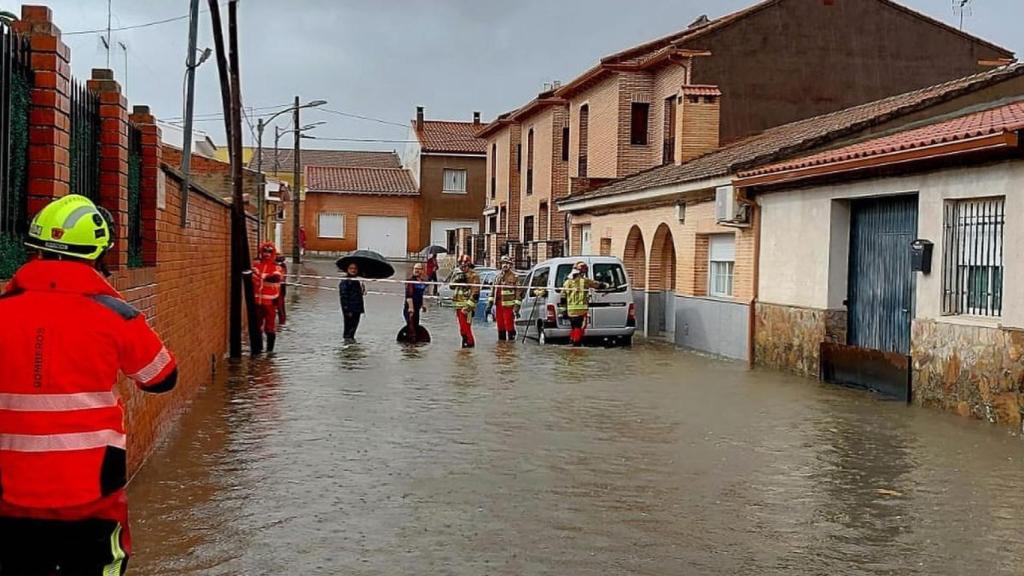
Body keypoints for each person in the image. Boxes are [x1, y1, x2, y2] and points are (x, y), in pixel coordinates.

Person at [0, 194, 178, 574]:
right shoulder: (117, 317)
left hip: (9, 489)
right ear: (99, 252)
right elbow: (161, 377)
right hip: (91, 488)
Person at [560, 261, 609, 347]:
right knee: (580, 328)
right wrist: (606, 285)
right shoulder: (584, 281)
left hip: (570, 311)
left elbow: (563, 297)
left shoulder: (567, 282)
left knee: (575, 328)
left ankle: (574, 342)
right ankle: (576, 345)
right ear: (582, 272)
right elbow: (596, 285)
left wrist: (563, 311)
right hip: (581, 310)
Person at [253, 242, 286, 352]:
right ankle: (257, 350)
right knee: (256, 326)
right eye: (264, 251)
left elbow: (276, 278)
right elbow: (252, 277)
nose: (266, 254)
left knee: (270, 327)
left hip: (271, 302)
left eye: (269, 252)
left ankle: (269, 352)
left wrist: (262, 276)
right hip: (257, 301)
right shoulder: (256, 265)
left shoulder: (276, 267)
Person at [487, 256, 521, 341]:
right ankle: (502, 347)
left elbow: (518, 294)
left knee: (509, 326)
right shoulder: (497, 277)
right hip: (498, 306)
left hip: (509, 307)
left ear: (510, 265)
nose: (504, 265)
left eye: (507, 263)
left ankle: (511, 345)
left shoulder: (515, 277)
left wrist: (516, 308)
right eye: (503, 263)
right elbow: (493, 291)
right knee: (500, 326)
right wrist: (489, 304)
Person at [449, 254, 480, 348]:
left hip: (466, 307)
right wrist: (457, 280)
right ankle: (464, 351)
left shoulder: (474, 276)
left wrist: (468, 307)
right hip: (458, 305)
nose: (463, 267)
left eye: (465, 265)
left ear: (468, 264)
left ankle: (469, 348)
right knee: (462, 330)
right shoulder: (458, 274)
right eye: (461, 265)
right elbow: (451, 286)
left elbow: (475, 293)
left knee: (466, 329)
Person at [338, 262, 366, 340]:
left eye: (355, 268)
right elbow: (343, 297)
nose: (353, 270)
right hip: (350, 310)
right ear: (347, 269)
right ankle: (347, 344)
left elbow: (358, 294)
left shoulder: (356, 280)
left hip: (357, 309)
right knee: (348, 330)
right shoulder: (345, 281)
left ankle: (350, 342)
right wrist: (347, 310)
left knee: (353, 329)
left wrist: (362, 289)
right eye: (351, 268)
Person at [403, 262, 429, 343]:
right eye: (415, 269)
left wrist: (423, 305)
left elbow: (421, 295)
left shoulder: (421, 281)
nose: (416, 270)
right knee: (412, 328)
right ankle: (410, 348)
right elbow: (409, 296)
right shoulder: (411, 282)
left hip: (417, 308)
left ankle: (416, 349)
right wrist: (411, 307)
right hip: (410, 309)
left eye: (419, 269)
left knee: (416, 325)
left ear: (422, 271)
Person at [275, 254, 288, 326]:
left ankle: (282, 322)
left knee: (280, 305)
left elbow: (282, 278)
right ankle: (282, 322)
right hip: (277, 288)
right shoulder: (282, 266)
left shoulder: (282, 266)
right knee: (280, 305)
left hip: (280, 288)